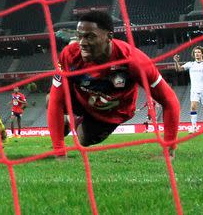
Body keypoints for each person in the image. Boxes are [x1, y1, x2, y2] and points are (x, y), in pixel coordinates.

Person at [48, 11, 180, 158]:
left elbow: (169, 100)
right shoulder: (69, 55)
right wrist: (60, 153)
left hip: (111, 111)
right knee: (50, 99)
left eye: (90, 36)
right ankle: (67, 120)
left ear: (109, 37)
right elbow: (56, 101)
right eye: (80, 37)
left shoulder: (133, 61)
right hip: (81, 97)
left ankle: (73, 121)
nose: (82, 43)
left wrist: (169, 150)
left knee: (83, 140)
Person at [174, 46, 203, 133]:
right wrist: (176, 62)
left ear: (202, 54)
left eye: (198, 52)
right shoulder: (190, 64)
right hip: (194, 90)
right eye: (195, 52)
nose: (197, 53)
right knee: (193, 107)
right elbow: (178, 69)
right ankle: (194, 127)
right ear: (194, 55)